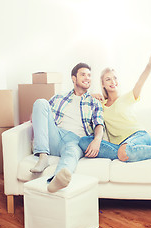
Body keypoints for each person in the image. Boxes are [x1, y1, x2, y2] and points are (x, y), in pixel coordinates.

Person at [79, 52, 151, 162]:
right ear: (103, 84)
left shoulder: (127, 97)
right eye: (108, 79)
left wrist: (150, 64)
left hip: (139, 136)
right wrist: (90, 95)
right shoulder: (100, 105)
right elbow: (79, 98)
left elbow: (140, 81)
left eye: (115, 78)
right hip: (119, 145)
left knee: (126, 150)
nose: (113, 81)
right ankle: (126, 153)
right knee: (83, 142)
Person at [30, 63, 104, 192]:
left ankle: (55, 180)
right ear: (74, 78)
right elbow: (40, 114)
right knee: (40, 102)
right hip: (56, 135)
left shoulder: (94, 102)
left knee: (71, 154)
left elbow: (99, 124)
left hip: (76, 140)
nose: (87, 78)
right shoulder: (59, 97)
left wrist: (97, 140)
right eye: (83, 74)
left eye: (89, 75)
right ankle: (43, 156)